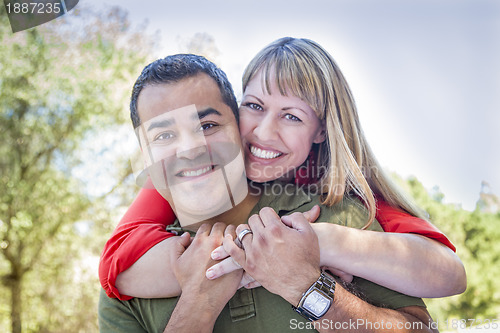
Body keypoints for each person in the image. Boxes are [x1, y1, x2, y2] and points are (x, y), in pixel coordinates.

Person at [98, 37, 465, 302]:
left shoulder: (343, 191)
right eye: (255, 106)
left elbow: (449, 273)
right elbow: (117, 262)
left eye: (291, 116)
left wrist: (321, 242)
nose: (263, 132)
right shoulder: (198, 170)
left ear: (322, 130)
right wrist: (257, 254)